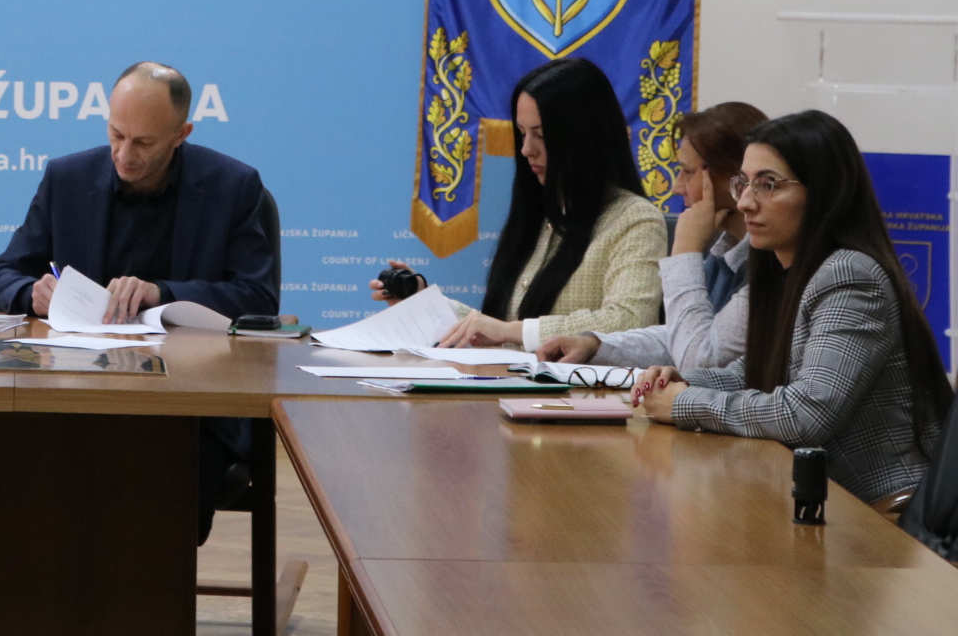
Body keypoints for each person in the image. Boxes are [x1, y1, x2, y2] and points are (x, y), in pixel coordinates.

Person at [0, 61, 276, 544]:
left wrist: (165, 292)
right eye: (116, 135)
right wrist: (30, 293)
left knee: (159, 501)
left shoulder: (233, 185)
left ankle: (147, 582)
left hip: (190, 403)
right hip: (78, 392)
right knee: (17, 471)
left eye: (143, 142)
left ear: (181, 134)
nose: (124, 154)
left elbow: (259, 298)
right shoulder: (67, 178)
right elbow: (1, 276)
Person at [634, 111, 952, 505]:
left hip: (882, 515)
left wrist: (684, 403)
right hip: (816, 501)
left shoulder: (850, 275)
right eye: (743, 183)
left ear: (824, 192)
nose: (745, 202)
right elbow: (754, 373)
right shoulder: (789, 269)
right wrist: (681, 382)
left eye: (768, 185)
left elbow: (806, 414)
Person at [374, 57, 666, 350]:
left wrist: (512, 331)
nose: (526, 150)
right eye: (522, 133)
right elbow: (495, 329)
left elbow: (631, 320)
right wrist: (423, 303)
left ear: (583, 137)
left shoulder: (635, 220)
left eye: (541, 135)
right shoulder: (539, 213)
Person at [540, 101, 766, 369]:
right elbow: (679, 336)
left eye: (687, 172)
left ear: (734, 179)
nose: (677, 187)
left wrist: (685, 251)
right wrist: (595, 346)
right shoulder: (726, 254)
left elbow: (698, 358)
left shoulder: (768, 267)